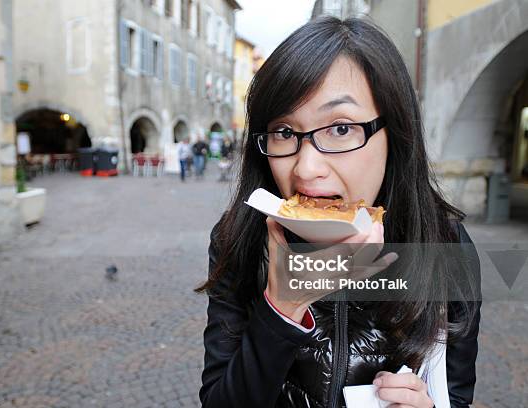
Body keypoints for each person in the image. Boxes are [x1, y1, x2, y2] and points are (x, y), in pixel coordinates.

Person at [196, 16, 481, 408]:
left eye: (341, 129)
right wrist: (281, 308)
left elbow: (458, 394)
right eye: (283, 132)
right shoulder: (240, 237)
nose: (306, 168)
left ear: (394, 133)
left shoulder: (444, 244)